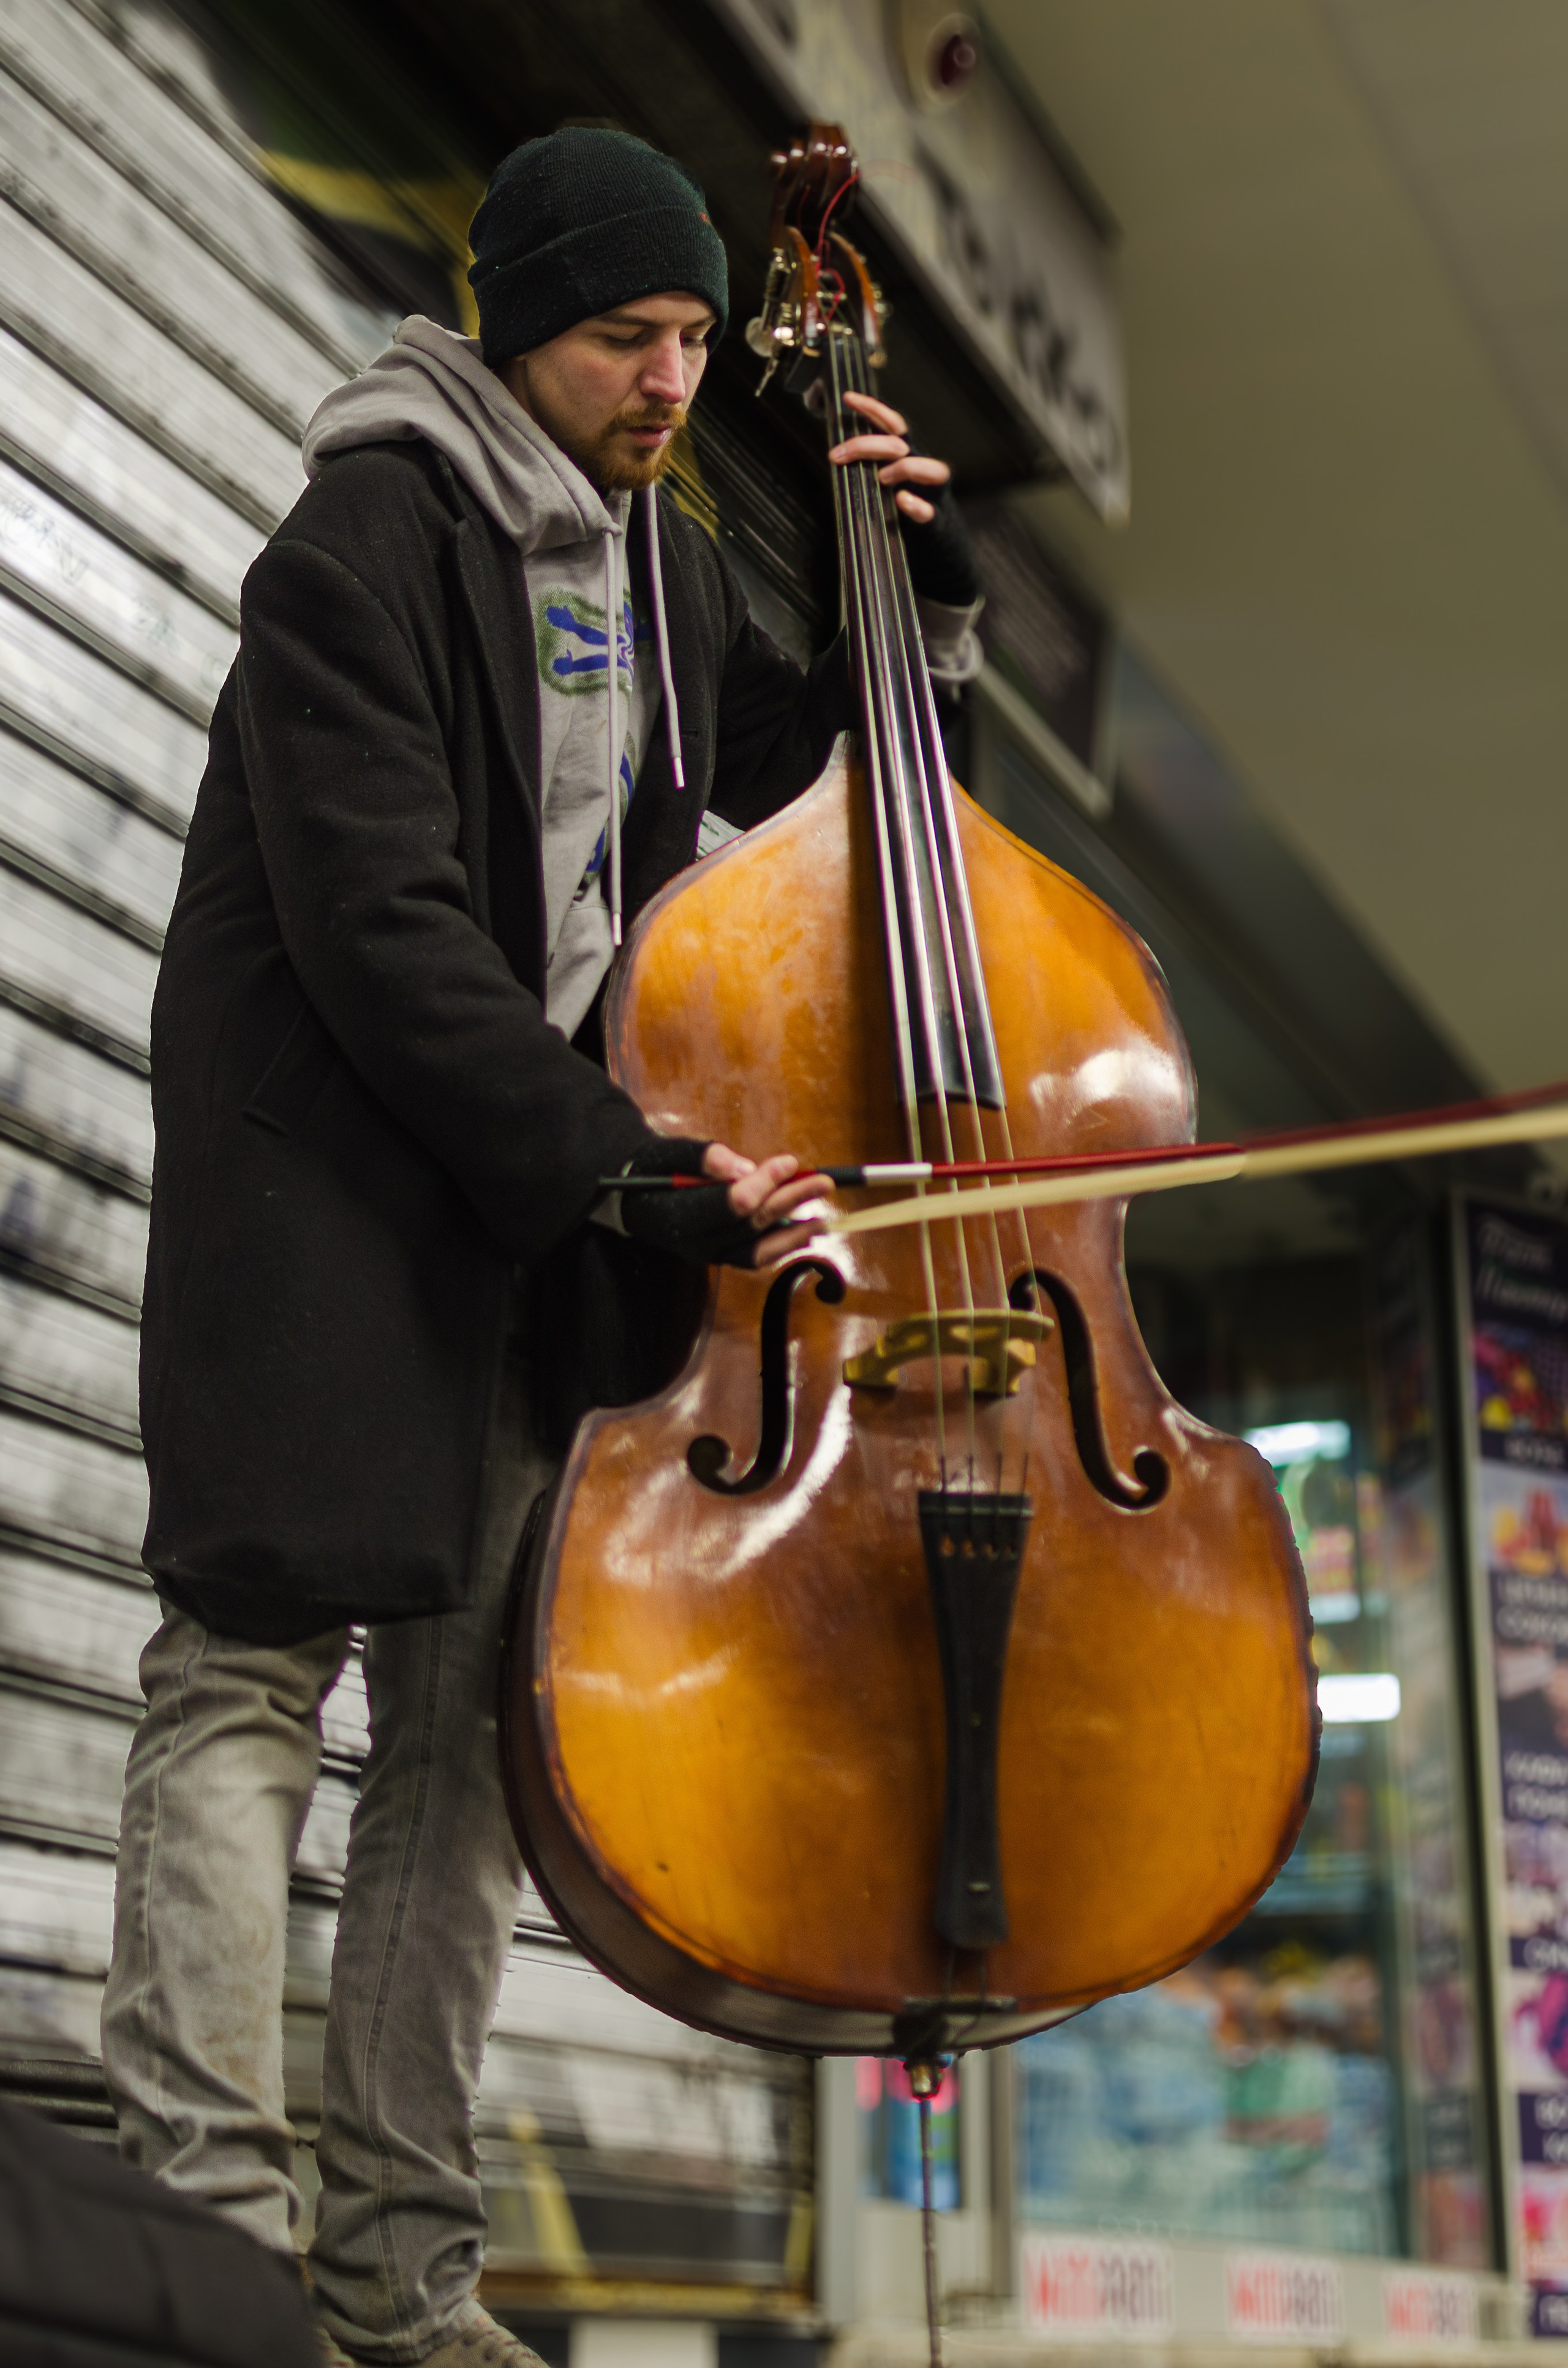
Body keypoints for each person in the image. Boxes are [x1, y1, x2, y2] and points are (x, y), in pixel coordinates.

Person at [100, 127, 982, 2367]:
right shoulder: (363, 541)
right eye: (623, 337)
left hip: (544, 1227)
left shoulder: (664, 565)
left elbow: (819, 778)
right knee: (246, 1685)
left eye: (692, 336)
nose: (673, 378)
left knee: (468, 1758)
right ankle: (207, 2248)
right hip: (338, 1212)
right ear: (515, 329)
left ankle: (401, 2282)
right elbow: (382, 932)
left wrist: (920, 595)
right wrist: (628, 1164)